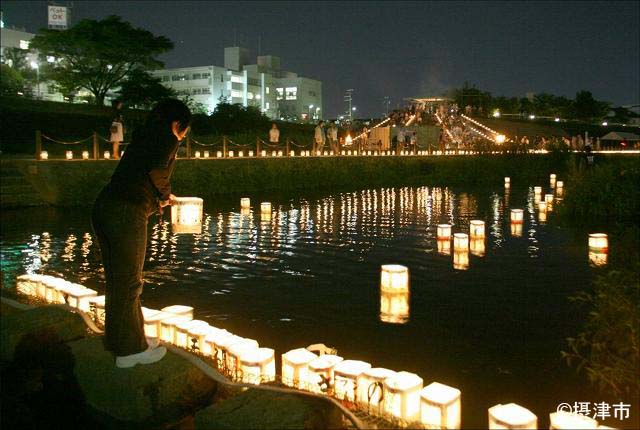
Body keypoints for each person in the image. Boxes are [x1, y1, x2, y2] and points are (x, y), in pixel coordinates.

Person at [91, 99, 192, 368]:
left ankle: (122, 339)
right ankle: (130, 351)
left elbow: (140, 175)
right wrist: (165, 193)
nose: (183, 136)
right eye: (184, 130)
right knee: (129, 283)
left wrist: (161, 199)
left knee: (117, 281)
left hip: (106, 207)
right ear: (176, 124)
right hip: (126, 213)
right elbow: (157, 170)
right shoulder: (166, 138)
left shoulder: (143, 138)